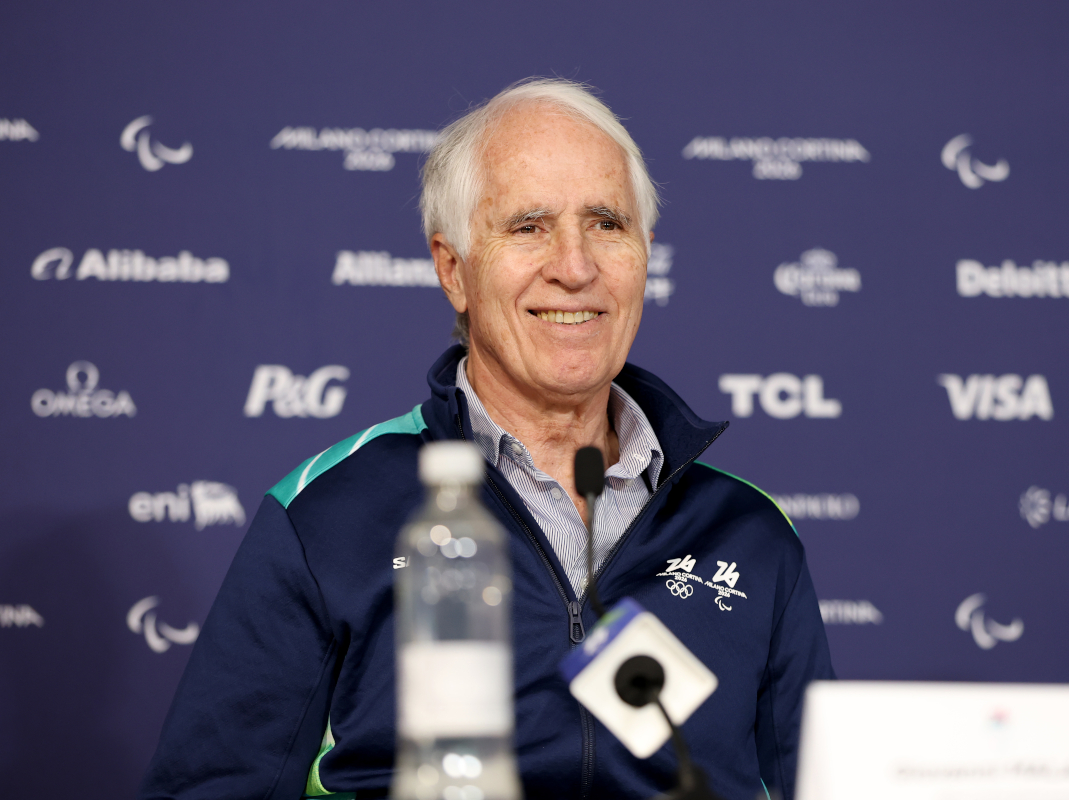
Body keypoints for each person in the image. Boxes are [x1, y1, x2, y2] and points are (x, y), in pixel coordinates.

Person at [139, 78, 833, 800]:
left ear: (645, 255)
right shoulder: (326, 513)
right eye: (529, 226)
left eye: (606, 224)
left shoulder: (750, 533)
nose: (574, 267)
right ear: (452, 269)